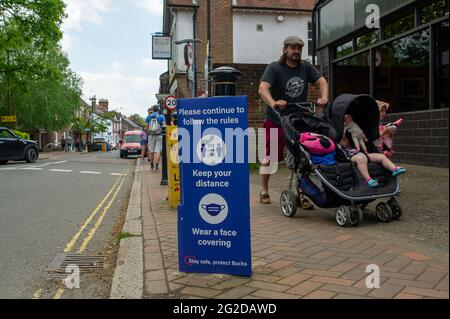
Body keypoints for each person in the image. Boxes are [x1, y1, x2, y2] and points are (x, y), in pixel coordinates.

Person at [258, 35, 329, 206]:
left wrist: (324, 98)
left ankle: (303, 193)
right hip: (277, 120)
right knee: (271, 156)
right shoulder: (275, 68)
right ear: (285, 50)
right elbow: (262, 88)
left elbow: (322, 81)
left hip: (298, 120)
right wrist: (274, 103)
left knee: (303, 157)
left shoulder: (306, 67)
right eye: (293, 48)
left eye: (299, 48)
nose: (297, 51)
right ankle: (263, 189)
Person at [340, 114, 406, 187]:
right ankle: (368, 179)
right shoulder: (342, 135)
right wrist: (343, 135)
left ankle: (394, 169)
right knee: (361, 158)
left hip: (360, 152)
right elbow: (341, 140)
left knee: (381, 156)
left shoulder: (354, 130)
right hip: (349, 156)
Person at [146, 105, 166, 172]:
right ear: (158, 109)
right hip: (159, 135)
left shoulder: (148, 117)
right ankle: (156, 166)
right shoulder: (161, 117)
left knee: (151, 151)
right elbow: (164, 126)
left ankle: (152, 165)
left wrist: (149, 132)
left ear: (153, 109)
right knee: (157, 151)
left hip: (151, 136)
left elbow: (146, 128)